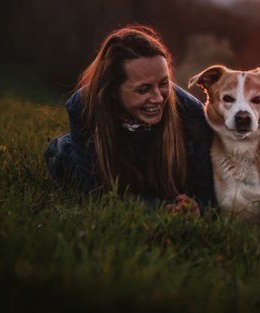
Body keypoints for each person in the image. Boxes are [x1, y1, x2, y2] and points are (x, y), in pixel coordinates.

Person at [45, 25, 215, 214]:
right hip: (110, 167)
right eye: (143, 89)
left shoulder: (192, 114)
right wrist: (159, 208)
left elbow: (208, 194)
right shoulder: (83, 106)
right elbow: (97, 190)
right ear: (112, 90)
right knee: (62, 154)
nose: (158, 98)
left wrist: (197, 207)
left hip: (160, 175)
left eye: (164, 83)